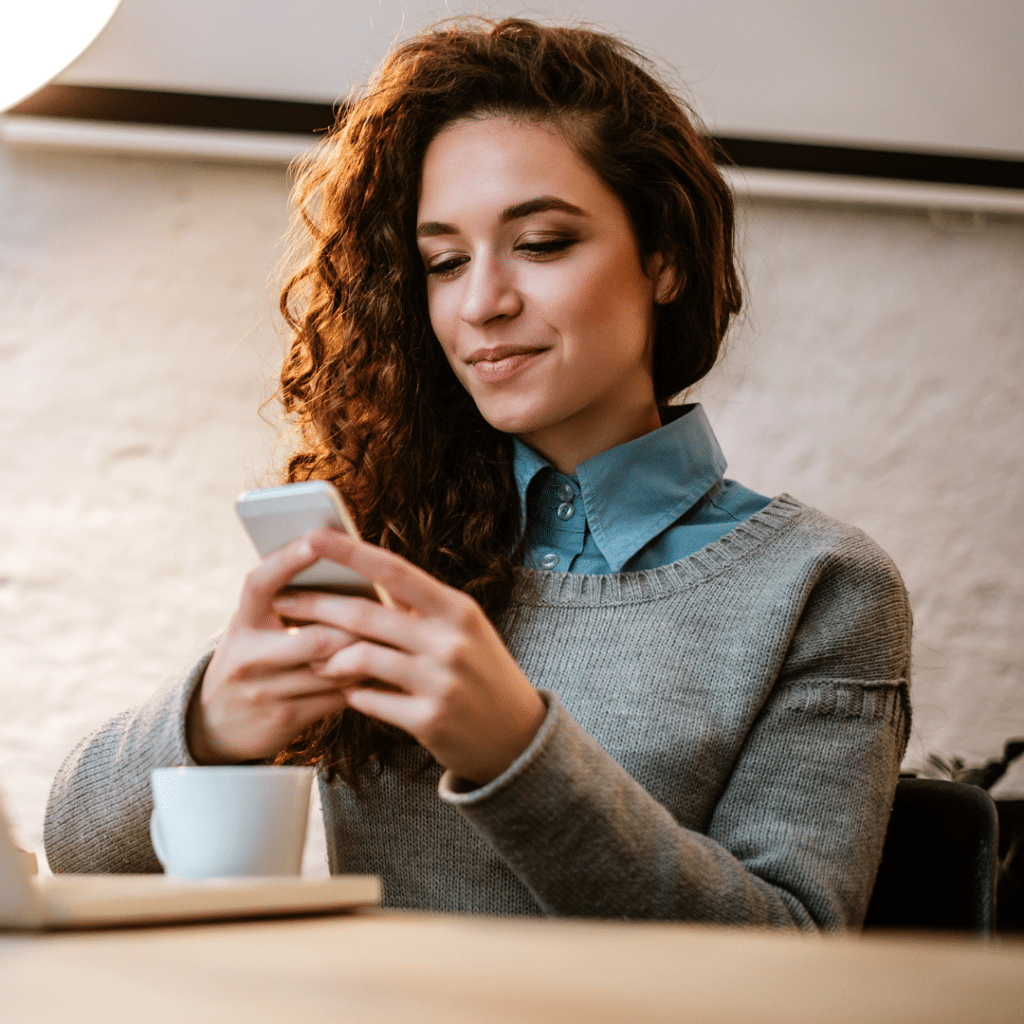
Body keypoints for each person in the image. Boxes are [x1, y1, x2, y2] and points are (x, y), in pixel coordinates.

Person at [44, 18, 911, 930]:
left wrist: (513, 750)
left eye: (540, 244)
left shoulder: (822, 587)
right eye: (444, 262)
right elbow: (76, 850)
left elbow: (798, 960)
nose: (482, 303)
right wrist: (212, 722)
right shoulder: (397, 539)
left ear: (664, 258)